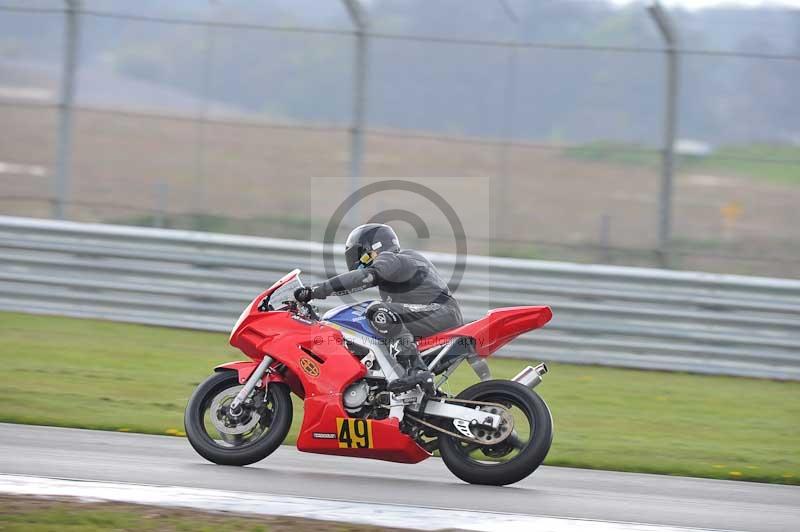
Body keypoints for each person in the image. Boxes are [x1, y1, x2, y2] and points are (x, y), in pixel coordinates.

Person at [294, 223, 463, 395]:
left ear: (370, 249)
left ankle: (416, 369)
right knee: (378, 325)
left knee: (376, 311)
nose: (357, 260)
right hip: (440, 315)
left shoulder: (389, 257)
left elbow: (364, 278)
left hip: (439, 313)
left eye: (359, 254)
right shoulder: (401, 260)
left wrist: (316, 290)